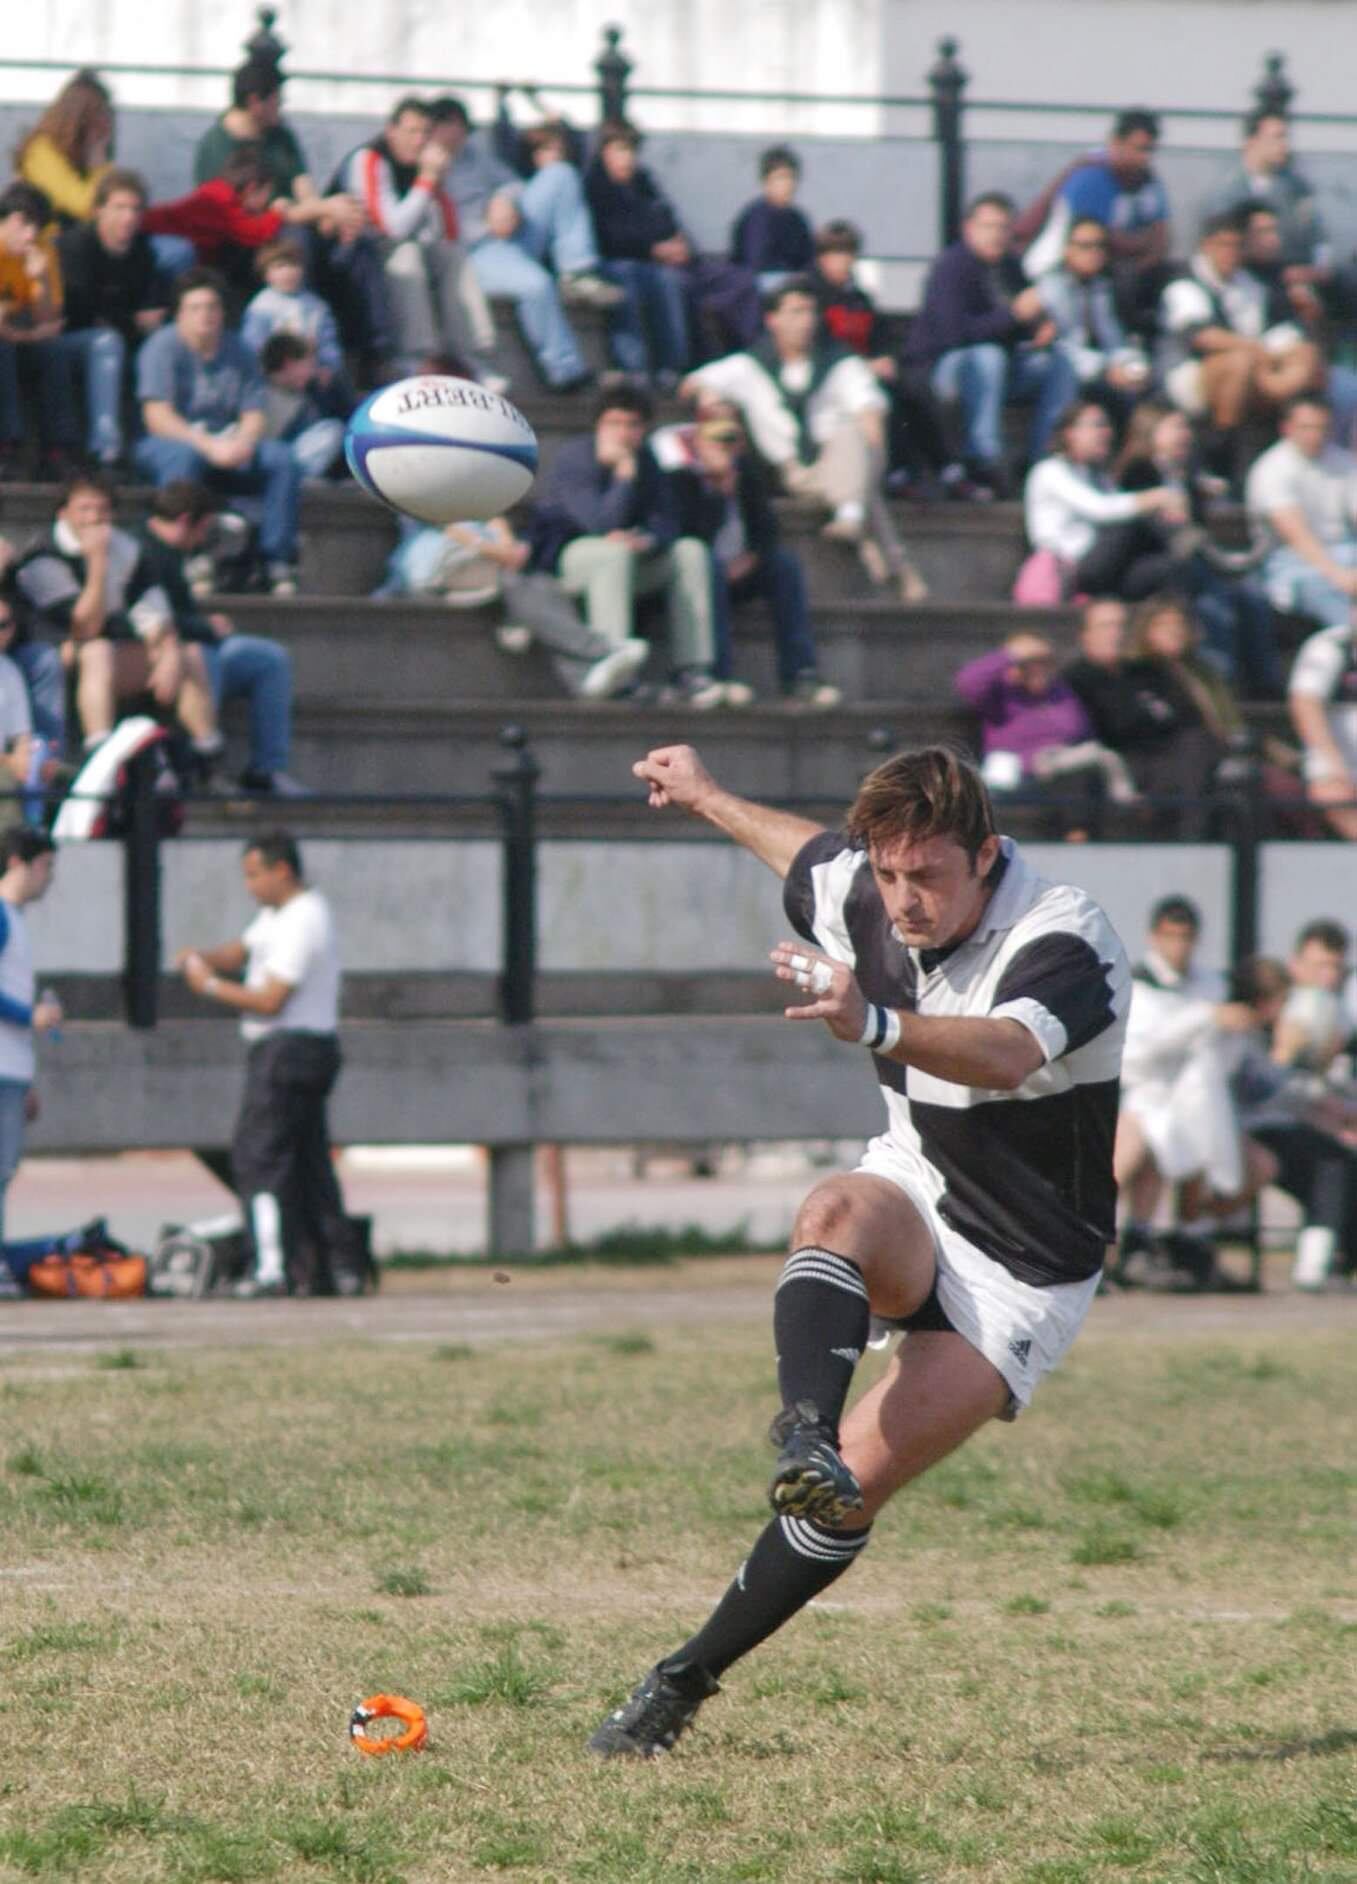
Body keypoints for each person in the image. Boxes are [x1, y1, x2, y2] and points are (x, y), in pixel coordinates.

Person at [588, 740, 1129, 1755]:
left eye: (927, 875)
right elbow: (803, 859)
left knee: (858, 1490)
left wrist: (876, 1021)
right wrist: (706, 794)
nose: (904, 898)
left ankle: (681, 1679)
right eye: (888, 875)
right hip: (921, 1184)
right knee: (834, 1211)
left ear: (986, 855)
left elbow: (1009, 1054)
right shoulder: (866, 891)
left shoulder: (1064, 935)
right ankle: (800, 1436)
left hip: (1023, 1268)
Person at [175, 830, 363, 1298]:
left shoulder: (303, 919)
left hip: (289, 1050)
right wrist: (203, 958)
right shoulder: (277, 916)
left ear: (283, 870)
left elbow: (272, 999)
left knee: (258, 1158)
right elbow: (241, 951)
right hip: (299, 1049)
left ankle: (272, 1268)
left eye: (255, 874)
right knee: (308, 1161)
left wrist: (209, 987)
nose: (250, 885)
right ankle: (337, 1266)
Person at [684, 278, 927, 601]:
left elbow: (869, 410)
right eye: (795, 312)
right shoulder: (749, 366)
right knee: (862, 489)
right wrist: (710, 396)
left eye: (810, 312)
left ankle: (854, 516)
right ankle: (891, 557)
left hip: (840, 463)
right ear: (773, 319)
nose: (806, 320)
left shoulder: (838, 363)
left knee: (850, 433)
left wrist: (873, 454)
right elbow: (690, 385)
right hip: (794, 472)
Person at [195, 56, 391, 377]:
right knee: (295, 239)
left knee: (359, 245)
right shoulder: (217, 147)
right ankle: (301, 340)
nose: (281, 108)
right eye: (276, 100)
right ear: (255, 101)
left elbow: (304, 191)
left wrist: (327, 216)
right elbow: (253, 214)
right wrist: (321, 209)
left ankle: (372, 352)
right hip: (250, 240)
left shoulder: (280, 137)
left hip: (294, 223)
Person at [13, 473, 223, 770]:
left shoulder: (128, 550)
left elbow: (154, 615)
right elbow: (85, 626)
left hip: (109, 650)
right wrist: (97, 564)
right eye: (85, 509)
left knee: (187, 656)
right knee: (97, 651)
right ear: (64, 512)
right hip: (56, 656)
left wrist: (169, 653)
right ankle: (100, 755)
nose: (95, 518)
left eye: (102, 509)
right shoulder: (43, 556)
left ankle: (207, 757)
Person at [531, 383, 724, 704]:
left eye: (632, 424)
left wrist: (647, 541)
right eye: (614, 423)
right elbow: (595, 523)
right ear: (599, 425)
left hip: (630, 559)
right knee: (611, 553)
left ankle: (693, 670)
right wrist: (623, 476)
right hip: (572, 558)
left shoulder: (648, 460)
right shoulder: (575, 458)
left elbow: (668, 523)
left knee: (690, 552)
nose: (622, 433)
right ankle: (615, 669)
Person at [133, 267, 303, 595]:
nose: (206, 315)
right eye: (196, 308)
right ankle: (185, 555)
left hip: (228, 443)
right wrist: (207, 446)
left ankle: (277, 559)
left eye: (212, 307)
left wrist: (244, 440)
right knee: (183, 457)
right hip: (172, 442)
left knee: (282, 459)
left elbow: (254, 413)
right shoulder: (161, 347)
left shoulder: (239, 350)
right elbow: (157, 416)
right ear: (180, 315)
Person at [658, 406, 840, 707]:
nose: (726, 449)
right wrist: (716, 495)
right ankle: (718, 675)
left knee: (784, 566)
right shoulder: (680, 480)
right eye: (718, 439)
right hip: (701, 577)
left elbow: (766, 529)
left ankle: (800, 673)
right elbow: (687, 539)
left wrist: (753, 557)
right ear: (699, 441)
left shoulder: (748, 475)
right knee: (708, 565)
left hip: (742, 568)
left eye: (733, 440)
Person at [134, 481, 308, 796]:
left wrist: (202, 625)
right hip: (156, 652)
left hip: (190, 639)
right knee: (204, 657)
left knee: (270, 660)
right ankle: (198, 765)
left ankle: (266, 770)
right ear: (186, 521)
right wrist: (206, 629)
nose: (202, 540)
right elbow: (156, 617)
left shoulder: (172, 553)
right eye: (203, 530)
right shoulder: (141, 551)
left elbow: (180, 611)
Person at [905, 192, 1078, 494]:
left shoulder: (1011, 267)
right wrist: (1013, 314)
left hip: (999, 369)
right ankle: (983, 456)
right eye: (988, 226)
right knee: (988, 357)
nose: (996, 235)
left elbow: (1018, 324)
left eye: (1003, 228)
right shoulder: (952, 266)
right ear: (968, 228)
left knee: (1058, 363)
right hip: (944, 370)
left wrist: (1038, 329)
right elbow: (953, 333)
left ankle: (1043, 457)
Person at [377, 511, 650, 700]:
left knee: (542, 585)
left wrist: (506, 545)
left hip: (488, 561)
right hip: (436, 565)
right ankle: (598, 652)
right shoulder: (417, 465)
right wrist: (498, 551)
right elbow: (444, 523)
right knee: (517, 583)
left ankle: (584, 673)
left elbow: (495, 512)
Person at [424, 96, 595, 393]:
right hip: (473, 252)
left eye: (461, 127)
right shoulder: (422, 164)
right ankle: (564, 369)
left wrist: (504, 201)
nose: (456, 134)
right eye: (448, 126)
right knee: (536, 285)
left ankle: (576, 271)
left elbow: (513, 183)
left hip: (510, 235)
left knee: (560, 175)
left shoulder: (473, 156)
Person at [334, 96, 503, 387]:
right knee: (407, 255)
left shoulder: (424, 163)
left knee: (453, 256)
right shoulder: (370, 160)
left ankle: (475, 354)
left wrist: (438, 186)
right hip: (360, 254)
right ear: (392, 131)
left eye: (425, 133)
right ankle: (417, 356)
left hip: (404, 246)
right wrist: (426, 181)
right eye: (411, 132)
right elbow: (393, 227)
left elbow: (447, 233)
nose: (418, 140)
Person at [1116, 401, 1281, 694]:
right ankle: (1221, 678)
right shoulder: (1137, 472)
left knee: (1251, 596)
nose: (1185, 435)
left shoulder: (1186, 478)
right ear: (1151, 432)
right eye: (1176, 427)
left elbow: (1198, 534)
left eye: (1186, 428)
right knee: (1212, 604)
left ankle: (1264, 681)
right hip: (1148, 567)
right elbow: (1159, 534)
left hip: (1191, 565)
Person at [811, 220, 964, 499]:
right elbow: (819, 343)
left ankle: (947, 468)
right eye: (835, 254)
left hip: (869, 369)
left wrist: (887, 358)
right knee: (884, 397)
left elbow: (883, 336)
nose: (842, 262)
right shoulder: (813, 297)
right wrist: (862, 364)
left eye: (848, 254)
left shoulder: (859, 298)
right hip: (835, 377)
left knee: (914, 388)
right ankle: (897, 472)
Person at [1156, 210, 1322, 436]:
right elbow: (1201, 336)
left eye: (1236, 246)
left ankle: (1286, 420)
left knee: (1306, 354)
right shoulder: (1184, 282)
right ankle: (1226, 437)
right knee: (1240, 363)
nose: (1230, 253)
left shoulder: (1251, 283)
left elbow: (1273, 328)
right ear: (1207, 246)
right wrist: (1255, 349)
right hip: (1190, 373)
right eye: (1224, 245)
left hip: (1256, 367)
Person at [953, 629, 1138, 833]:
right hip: (1019, 774)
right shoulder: (1000, 695)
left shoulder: (1062, 695)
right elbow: (967, 682)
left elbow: (1081, 732)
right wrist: (1011, 654)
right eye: (1030, 662)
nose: (1038, 669)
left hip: (1063, 768)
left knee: (1084, 775)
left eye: (1044, 662)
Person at [141, 144, 353, 315]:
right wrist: (281, 212)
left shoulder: (222, 194)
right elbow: (252, 232)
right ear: (252, 188)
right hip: (155, 238)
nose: (266, 203)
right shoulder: (219, 201)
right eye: (265, 195)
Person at [54, 168, 168, 470]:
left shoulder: (143, 250)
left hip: (120, 334)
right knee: (107, 342)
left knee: (161, 343)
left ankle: (154, 446)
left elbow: (152, 305)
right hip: (67, 338)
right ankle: (105, 449)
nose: (128, 217)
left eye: (134, 209)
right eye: (119, 207)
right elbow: (81, 309)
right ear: (99, 210)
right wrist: (130, 320)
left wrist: (132, 320)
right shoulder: (76, 246)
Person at [1019, 109, 1170, 325]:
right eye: (1139, 149)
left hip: (1111, 274)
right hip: (1058, 274)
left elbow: (1161, 237)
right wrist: (1140, 244)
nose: (1144, 158)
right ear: (1116, 143)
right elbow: (1099, 238)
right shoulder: (1091, 177)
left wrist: (1145, 254)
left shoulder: (1148, 181)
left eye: (1150, 150)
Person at [1021, 399, 1184, 599]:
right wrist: (1157, 497)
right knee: (1132, 524)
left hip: (1106, 566)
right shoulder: (1050, 471)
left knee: (1166, 568)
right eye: (1096, 426)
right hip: (1070, 567)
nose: (1106, 433)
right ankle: (1195, 546)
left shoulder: (1098, 476)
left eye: (1106, 426)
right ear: (1070, 433)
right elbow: (1100, 509)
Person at [584, 122, 691, 384]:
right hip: (610, 261)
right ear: (605, 152)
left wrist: (674, 243)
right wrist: (653, 247)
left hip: (647, 262)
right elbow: (606, 236)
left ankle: (672, 368)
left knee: (669, 281)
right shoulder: (595, 184)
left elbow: (664, 220)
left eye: (631, 150)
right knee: (626, 280)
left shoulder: (643, 183)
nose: (627, 158)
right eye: (620, 150)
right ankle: (634, 368)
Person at [0, 828, 60, 1270]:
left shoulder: (15, 919)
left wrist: (29, 1077)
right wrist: (28, 1017)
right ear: (19, 862)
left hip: (13, 1068)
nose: (49, 878)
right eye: (46, 867)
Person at [1246, 393, 1357, 626]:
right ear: (1286, 428)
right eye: (1306, 427)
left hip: (1347, 552)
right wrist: (1339, 576)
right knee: (1330, 599)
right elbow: (1296, 536)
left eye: (1321, 427)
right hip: (1292, 565)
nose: (1314, 435)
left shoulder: (1344, 462)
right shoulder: (1272, 470)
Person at [0, 180, 79, 479]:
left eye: (37, 228)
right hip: (8, 335)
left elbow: (49, 318)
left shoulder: (42, 252)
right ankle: (7, 445)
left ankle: (58, 449)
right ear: (11, 220)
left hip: (21, 328)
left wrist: (41, 280)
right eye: (24, 225)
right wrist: (30, 335)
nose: (31, 236)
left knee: (54, 351)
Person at [1033, 217, 1150, 411]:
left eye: (1100, 246)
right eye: (1085, 246)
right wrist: (1105, 370)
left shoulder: (1102, 287)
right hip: (1064, 368)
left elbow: (1113, 339)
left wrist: (1133, 366)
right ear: (1067, 249)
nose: (1094, 253)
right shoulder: (1051, 286)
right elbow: (1063, 346)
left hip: (1101, 368)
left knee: (1139, 386)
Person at [1202, 110, 1331, 285]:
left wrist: (1318, 269)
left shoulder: (1297, 188)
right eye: (1277, 137)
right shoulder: (1227, 192)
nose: (1284, 145)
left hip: (1297, 275)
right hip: (1245, 277)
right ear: (1251, 142)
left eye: (1285, 138)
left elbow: (1318, 236)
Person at [1287, 607, 1357, 841]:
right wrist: (1333, 764)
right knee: (1334, 796)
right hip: (1339, 769)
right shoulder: (1333, 646)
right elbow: (1305, 704)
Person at [14, 68, 113, 226]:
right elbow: (83, 206)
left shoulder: (83, 158)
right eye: (98, 115)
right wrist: (98, 165)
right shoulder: (41, 152)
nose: (105, 125)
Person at [257, 333, 347, 480]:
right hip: (260, 463)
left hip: (292, 463)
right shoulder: (257, 392)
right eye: (309, 365)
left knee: (332, 430)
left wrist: (328, 388)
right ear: (289, 364)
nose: (313, 372)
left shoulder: (310, 394)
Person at [730, 146, 815, 291]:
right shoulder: (756, 218)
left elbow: (807, 260)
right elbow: (756, 266)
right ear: (766, 182)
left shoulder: (798, 219)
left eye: (792, 177)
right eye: (781, 177)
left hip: (795, 285)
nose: (788, 184)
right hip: (761, 287)